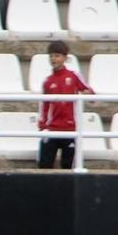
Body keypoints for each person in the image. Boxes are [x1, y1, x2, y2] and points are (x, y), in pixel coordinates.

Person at [35, 39, 89, 169]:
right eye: (51, 56)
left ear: (65, 58)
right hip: (52, 129)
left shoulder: (74, 76)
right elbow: (44, 105)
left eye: (57, 56)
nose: (54, 59)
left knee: (67, 166)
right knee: (45, 166)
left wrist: (89, 93)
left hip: (69, 129)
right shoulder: (47, 81)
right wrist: (43, 125)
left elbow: (87, 90)